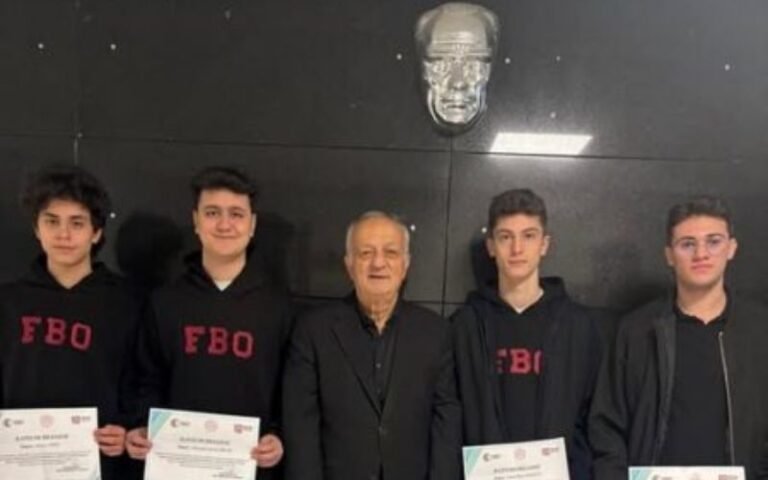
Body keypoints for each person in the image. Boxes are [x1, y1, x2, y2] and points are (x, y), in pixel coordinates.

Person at [124, 166, 293, 479]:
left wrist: (278, 435)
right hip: (175, 468)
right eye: (212, 213)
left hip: (250, 469)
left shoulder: (279, 307)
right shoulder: (165, 302)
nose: (225, 225)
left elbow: (290, 390)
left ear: (252, 224)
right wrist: (139, 426)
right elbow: (147, 380)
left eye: (236, 214)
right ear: (196, 221)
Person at [589, 196, 768, 480]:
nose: (701, 254)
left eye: (714, 241)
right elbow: (606, 427)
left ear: (732, 248)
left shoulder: (760, 329)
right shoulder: (636, 331)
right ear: (669, 255)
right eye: (687, 244)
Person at [282, 211, 462, 480]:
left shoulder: (436, 333)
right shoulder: (313, 331)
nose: (378, 263)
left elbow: (446, 423)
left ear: (405, 264)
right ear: (349, 265)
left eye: (390, 253)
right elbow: (300, 427)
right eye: (366, 253)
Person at [0, 164, 141, 480]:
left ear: (96, 232)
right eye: (52, 221)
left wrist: (127, 427)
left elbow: (140, 380)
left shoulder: (127, 303)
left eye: (77, 223)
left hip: (100, 465)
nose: (63, 234)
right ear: (37, 229)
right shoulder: (8, 302)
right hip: (18, 466)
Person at [451, 188, 602, 480]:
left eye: (529, 236)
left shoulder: (580, 327)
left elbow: (595, 419)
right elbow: (449, 419)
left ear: (544, 245)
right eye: (505, 237)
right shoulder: (464, 326)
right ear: (491, 246)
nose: (517, 249)